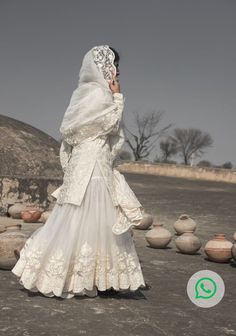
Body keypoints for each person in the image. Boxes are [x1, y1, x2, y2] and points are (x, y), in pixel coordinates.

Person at [11, 45, 146, 299]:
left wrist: (72, 167)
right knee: (97, 217)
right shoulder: (102, 95)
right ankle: (102, 279)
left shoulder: (80, 94)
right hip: (95, 163)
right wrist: (118, 98)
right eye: (114, 65)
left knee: (79, 219)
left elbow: (68, 137)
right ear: (103, 67)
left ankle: (93, 276)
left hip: (81, 163)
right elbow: (109, 127)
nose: (117, 71)